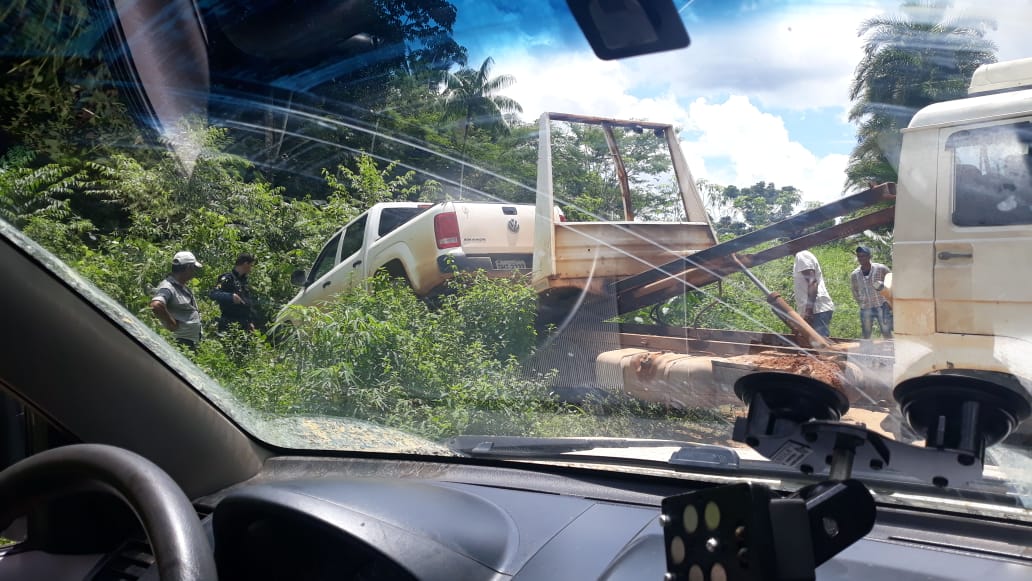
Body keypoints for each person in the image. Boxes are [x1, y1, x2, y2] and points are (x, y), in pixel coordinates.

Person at [150, 251, 203, 349]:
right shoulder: (168, 287)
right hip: (178, 342)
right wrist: (171, 323)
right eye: (193, 268)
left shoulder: (182, 287)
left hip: (188, 342)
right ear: (188, 268)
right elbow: (156, 305)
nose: (194, 271)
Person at [850, 246, 893, 339]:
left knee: (886, 331)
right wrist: (861, 302)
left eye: (864, 256)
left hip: (882, 305)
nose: (861, 258)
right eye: (859, 256)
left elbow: (891, 281)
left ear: (869, 256)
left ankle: (891, 351)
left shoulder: (881, 268)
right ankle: (867, 351)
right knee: (866, 333)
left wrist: (890, 301)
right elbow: (855, 291)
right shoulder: (855, 274)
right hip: (866, 307)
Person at [210, 253, 258, 332]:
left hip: (244, 324)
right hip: (229, 323)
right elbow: (213, 294)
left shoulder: (243, 282)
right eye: (251, 265)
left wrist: (250, 321)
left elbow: (247, 304)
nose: (251, 268)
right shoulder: (227, 278)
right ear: (246, 264)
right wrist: (230, 296)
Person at [793, 250, 835, 337]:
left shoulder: (802, 255)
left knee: (820, 346)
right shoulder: (802, 256)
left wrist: (808, 311)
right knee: (814, 345)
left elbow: (812, 282)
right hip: (815, 310)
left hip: (816, 310)